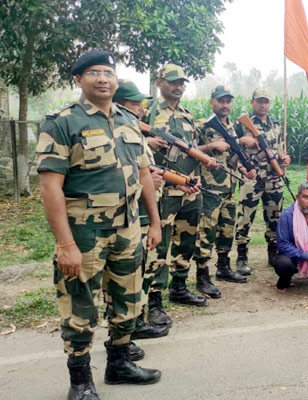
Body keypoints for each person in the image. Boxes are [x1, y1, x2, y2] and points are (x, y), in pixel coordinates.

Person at [36, 50, 162, 400]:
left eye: (109, 72)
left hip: (128, 229)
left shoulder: (128, 120)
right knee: (81, 310)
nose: (103, 78)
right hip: (84, 235)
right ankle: (80, 383)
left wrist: (153, 222)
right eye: (94, 72)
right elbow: (50, 186)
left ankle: (119, 363)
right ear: (79, 79)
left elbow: (143, 175)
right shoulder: (62, 122)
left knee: (130, 301)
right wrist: (65, 244)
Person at [143, 64, 218, 319]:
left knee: (186, 240)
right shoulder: (147, 111)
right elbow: (124, 138)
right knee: (160, 245)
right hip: (163, 192)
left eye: (182, 83)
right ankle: (153, 300)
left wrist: (205, 159)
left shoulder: (187, 115)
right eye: (173, 82)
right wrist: (147, 140)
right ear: (160, 82)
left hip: (190, 189)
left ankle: (179, 286)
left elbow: (193, 149)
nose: (178, 87)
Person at [112, 80, 169, 341]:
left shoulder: (135, 133)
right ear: (119, 104)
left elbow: (143, 170)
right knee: (126, 276)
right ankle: (124, 332)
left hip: (143, 213)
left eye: (142, 104)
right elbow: (115, 176)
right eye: (135, 104)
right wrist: (145, 182)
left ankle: (136, 320)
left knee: (142, 269)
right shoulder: (116, 132)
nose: (142, 109)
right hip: (124, 216)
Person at [193, 86, 255, 289]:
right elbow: (189, 150)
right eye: (221, 101)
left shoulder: (231, 128)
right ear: (212, 102)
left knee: (227, 229)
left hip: (229, 187)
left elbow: (229, 158)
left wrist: (243, 171)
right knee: (206, 232)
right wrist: (210, 146)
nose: (225, 105)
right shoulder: (203, 126)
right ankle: (202, 276)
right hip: (210, 189)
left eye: (228, 101)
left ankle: (223, 267)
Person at [235, 87, 292, 275]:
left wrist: (284, 159)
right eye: (259, 101)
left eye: (266, 101)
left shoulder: (276, 124)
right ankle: (242, 256)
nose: (263, 105)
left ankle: (273, 252)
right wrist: (242, 139)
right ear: (252, 102)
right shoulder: (243, 124)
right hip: (252, 177)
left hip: (274, 178)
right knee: (245, 217)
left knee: (274, 217)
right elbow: (231, 145)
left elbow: (280, 149)